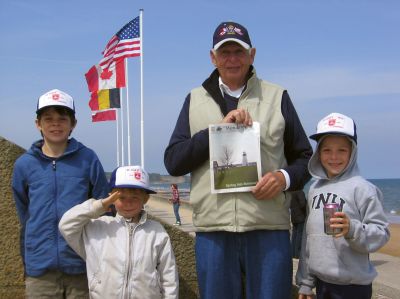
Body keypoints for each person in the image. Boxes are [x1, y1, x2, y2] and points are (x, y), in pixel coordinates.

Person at [164, 21, 313, 299]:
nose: (232, 59)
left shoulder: (277, 96)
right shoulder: (194, 99)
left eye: (239, 52)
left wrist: (283, 179)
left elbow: (305, 158)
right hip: (214, 232)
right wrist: (214, 132)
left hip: (268, 230)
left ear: (252, 55)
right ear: (213, 57)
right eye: (225, 52)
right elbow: (173, 161)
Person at [12, 89, 110, 298]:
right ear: (38, 123)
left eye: (62, 119)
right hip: (40, 269)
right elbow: (25, 212)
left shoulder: (88, 159)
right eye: (48, 119)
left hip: (82, 264)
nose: (55, 124)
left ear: (73, 123)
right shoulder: (24, 164)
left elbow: (104, 208)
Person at [296, 112, 390, 299]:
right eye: (327, 150)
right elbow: (309, 239)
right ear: (318, 153)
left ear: (352, 152)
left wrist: (352, 229)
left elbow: (381, 233)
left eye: (342, 150)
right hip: (322, 285)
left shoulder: (363, 189)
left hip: (353, 286)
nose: (334, 157)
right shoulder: (314, 189)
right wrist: (306, 283)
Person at [59, 165, 179, 299]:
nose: (128, 203)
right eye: (122, 198)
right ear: (111, 197)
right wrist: (100, 205)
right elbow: (66, 224)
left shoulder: (156, 231)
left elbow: (169, 276)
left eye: (135, 198)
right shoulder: (97, 227)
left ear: (145, 199)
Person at [290, 190, 307, 259]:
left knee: (294, 236)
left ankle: (293, 253)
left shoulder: (291, 193)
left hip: (294, 217)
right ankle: (297, 254)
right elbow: (303, 204)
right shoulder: (300, 192)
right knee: (299, 236)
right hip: (301, 216)